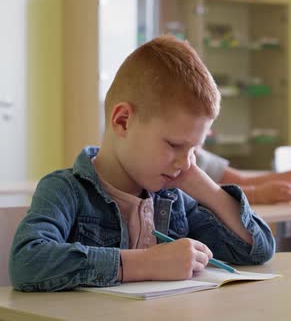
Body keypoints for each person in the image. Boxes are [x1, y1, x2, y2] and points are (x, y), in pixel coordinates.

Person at [9, 36, 275, 292]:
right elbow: (27, 263)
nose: (185, 162)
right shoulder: (65, 190)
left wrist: (204, 185)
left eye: (194, 149)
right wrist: (149, 263)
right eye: (174, 145)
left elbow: (257, 249)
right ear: (123, 121)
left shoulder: (173, 199)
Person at [196, 148, 291, 204]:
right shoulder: (188, 149)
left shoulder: (197, 154)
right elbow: (195, 192)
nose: (209, 132)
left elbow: (244, 181)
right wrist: (257, 194)